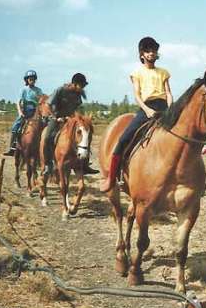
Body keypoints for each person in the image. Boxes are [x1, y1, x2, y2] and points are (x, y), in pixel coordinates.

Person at [100, 36, 173, 192]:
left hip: (164, 108)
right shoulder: (137, 73)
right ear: (142, 54)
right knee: (123, 139)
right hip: (147, 109)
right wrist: (147, 110)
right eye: (148, 50)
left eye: (154, 50)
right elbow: (137, 95)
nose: (151, 53)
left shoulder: (164, 72)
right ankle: (112, 178)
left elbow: (168, 92)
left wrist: (170, 108)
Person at [42, 72, 99, 176]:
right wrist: (56, 117)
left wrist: (79, 118)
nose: (82, 88)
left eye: (83, 86)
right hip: (56, 119)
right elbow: (48, 104)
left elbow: (78, 108)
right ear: (74, 84)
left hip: (70, 120)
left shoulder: (78, 94)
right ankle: (47, 164)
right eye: (81, 85)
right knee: (47, 138)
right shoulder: (60, 90)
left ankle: (84, 165)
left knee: (84, 138)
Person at [3, 70, 44, 156]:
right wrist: (20, 112)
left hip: (36, 112)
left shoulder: (38, 90)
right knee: (15, 127)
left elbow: (42, 101)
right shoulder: (24, 90)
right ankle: (12, 147)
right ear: (27, 80)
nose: (31, 80)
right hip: (25, 111)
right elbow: (18, 102)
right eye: (30, 79)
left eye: (33, 79)